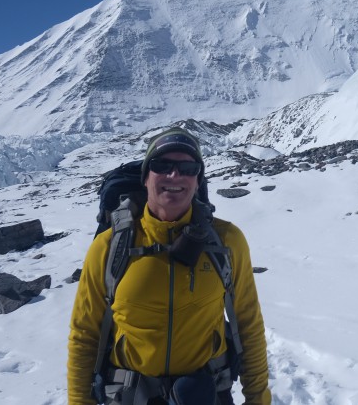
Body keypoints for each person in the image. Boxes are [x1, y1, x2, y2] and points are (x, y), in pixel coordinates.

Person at [68, 128, 271, 405]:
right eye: (162, 165)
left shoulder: (226, 241)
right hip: (130, 396)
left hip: (205, 394)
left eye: (187, 168)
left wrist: (258, 399)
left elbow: (248, 325)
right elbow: (85, 333)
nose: (174, 176)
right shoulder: (109, 247)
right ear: (146, 176)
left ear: (198, 180)